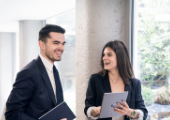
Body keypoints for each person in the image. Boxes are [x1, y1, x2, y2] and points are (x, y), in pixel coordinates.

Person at [5, 24, 67, 120]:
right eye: (56, 43)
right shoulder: (28, 73)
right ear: (42, 44)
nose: (61, 47)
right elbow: (12, 113)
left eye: (63, 43)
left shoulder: (54, 70)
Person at [84, 40, 148, 120]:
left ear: (120, 57)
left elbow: (144, 113)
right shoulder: (95, 79)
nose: (104, 58)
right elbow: (87, 109)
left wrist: (129, 112)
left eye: (109, 55)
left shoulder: (135, 83)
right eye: (104, 55)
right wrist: (97, 110)